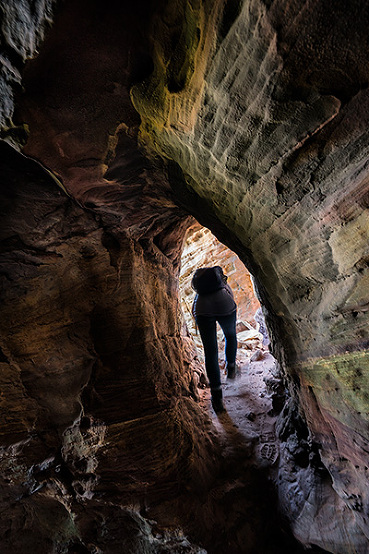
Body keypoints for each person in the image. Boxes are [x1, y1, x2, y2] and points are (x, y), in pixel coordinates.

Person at [191, 266, 237, 414]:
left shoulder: (200, 293)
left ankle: (217, 397)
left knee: (210, 353)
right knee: (230, 335)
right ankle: (231, 367)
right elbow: (230, 296)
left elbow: (194, 307)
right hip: (224, 303)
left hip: (202, 308)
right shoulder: (222, 284)